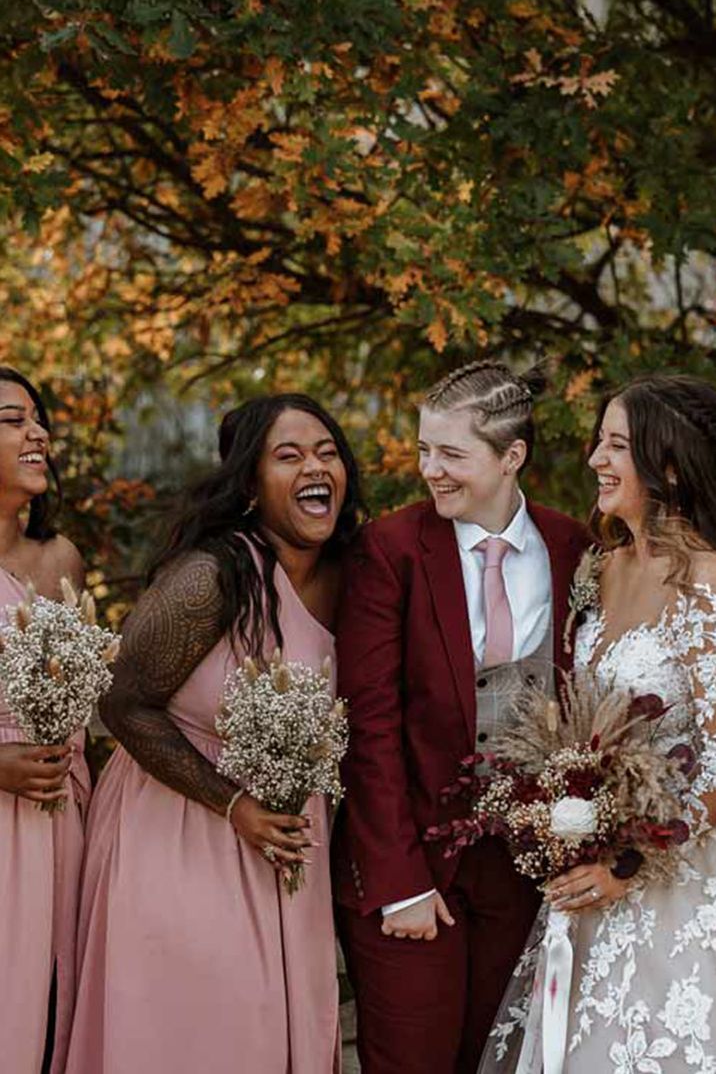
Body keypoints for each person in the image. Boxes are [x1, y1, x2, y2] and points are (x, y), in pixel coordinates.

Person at [65, 394, 363, 1074]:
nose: (315, 466)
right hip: (180, 831)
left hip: (290, 844)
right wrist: (236, 804)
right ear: (250, 486)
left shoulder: (358, 576)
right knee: (201, 1031)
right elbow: (125, 703)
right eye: (288, 456)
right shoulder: (214, 577)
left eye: (326, 452)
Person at [333, 360, 590, 1074]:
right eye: (423, 449)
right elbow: (370, 726)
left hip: (523, 875)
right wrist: (399, 882)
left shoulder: (575, 551)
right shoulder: (391, 551)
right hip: (412, 868)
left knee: (501, 1061)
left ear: (512, 457)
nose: (430, 471)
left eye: (451, 454)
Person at [478, 373, 716, 1073]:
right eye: (598, 443)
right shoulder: (599, 570)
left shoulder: (708, 581)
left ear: (667, 465)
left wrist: (631, 861)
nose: (595, 461)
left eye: (616, 445)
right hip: (588, 883)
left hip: (676, 882)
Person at [0, 366, 86, 1074]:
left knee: (52, 1008)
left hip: (60, 818)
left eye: (37, 418)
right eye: (10, 420)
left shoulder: (61, 560)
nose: (37, 433)